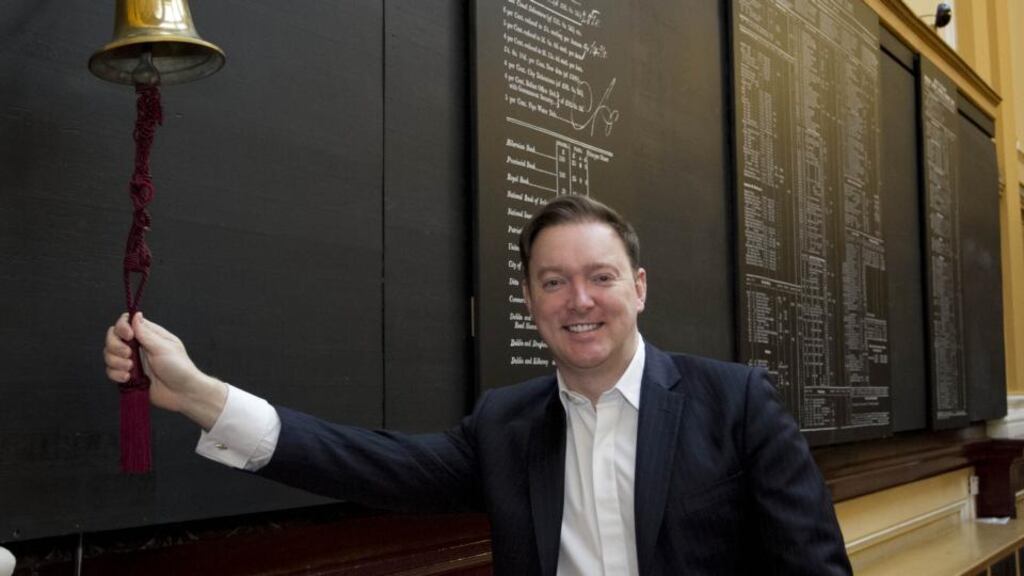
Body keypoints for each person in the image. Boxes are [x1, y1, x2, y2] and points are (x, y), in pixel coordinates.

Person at [103, 195, 851, 575]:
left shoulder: (736, 404)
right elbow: (371, 464)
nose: (579, 301)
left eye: (600, 277)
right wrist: (198, 395)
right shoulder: (505, 425)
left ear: (640, 287)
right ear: (530, 300)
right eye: (553, 282)